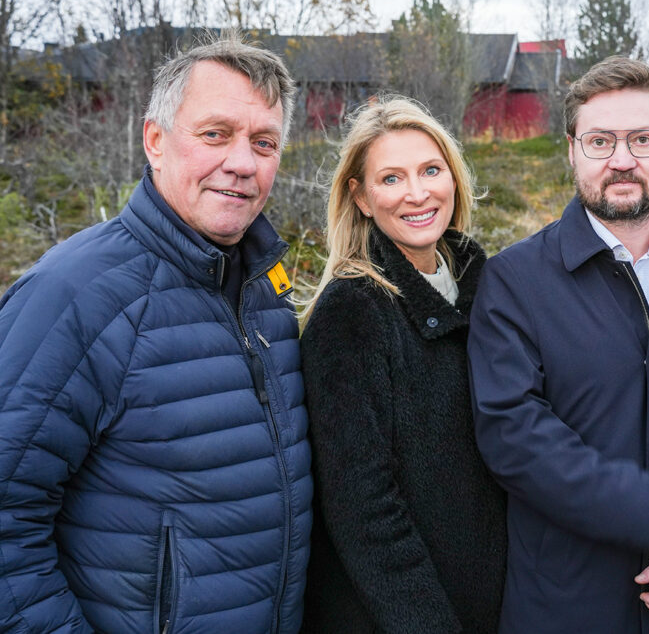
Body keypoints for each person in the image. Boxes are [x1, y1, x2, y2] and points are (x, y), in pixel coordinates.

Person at [0, 35, 312, 633]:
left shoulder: (266, 292)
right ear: (155, 141)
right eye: (215, 134)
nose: (243, 163)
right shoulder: (76, 295)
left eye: (264, 142)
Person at [468, 56, 649, 634]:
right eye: (600, 141)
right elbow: (515, 437)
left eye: (642, 139)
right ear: (572, 149)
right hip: (565, 605)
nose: (622, 160)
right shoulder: (515, 280)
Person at [299, 96, 505, 633]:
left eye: (430, 170)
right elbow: (364, 510)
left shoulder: (486, 291)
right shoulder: (352, 311)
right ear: (361, 197)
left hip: (493, 601)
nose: (417, 193)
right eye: (391, 178)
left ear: (453, 179)